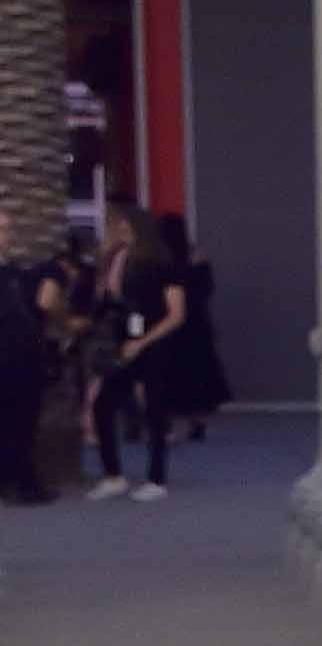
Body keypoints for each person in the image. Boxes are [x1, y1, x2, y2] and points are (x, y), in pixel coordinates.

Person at [85, 202, 186, 502]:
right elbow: (109, 304)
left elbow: (176, 314)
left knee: (155, 408)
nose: (118, 229)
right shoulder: (117, 260)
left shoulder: (162, 264)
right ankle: (113, 475)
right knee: (103, 404)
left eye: (123, 224)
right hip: (124, 342)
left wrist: (142, 342)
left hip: (154, 343)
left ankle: (157, 478)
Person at [151, 213, 234, 439]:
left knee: (168, 373)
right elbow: (206, 290)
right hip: (196, 324)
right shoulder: (196, 257)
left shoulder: (161, 260)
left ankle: (166, 422)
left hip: (166, 322)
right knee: (197, 372)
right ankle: (197, 421)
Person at [0, 204, 50, 505]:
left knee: (22, 423)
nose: (6, 235)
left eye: (7, 229)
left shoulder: (15, 273)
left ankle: (22, 481)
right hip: (7, 359)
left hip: (22, 359)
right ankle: (21, 482)